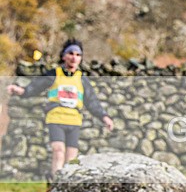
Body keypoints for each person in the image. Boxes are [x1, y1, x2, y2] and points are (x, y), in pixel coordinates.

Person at [6, 39, 114, 180]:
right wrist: (20, 90)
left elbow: (92, 101)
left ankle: (66, 185)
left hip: (74, 121)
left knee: (71, 157)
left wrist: (104, 116)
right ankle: (55, 181)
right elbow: (35, 87)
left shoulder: (82, 79)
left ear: (80, 58)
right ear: (64, 56)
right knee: (58, 151)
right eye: (70, 53)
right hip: (56, 118)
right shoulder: (54, 74)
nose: (74, 57)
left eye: (77, 54)